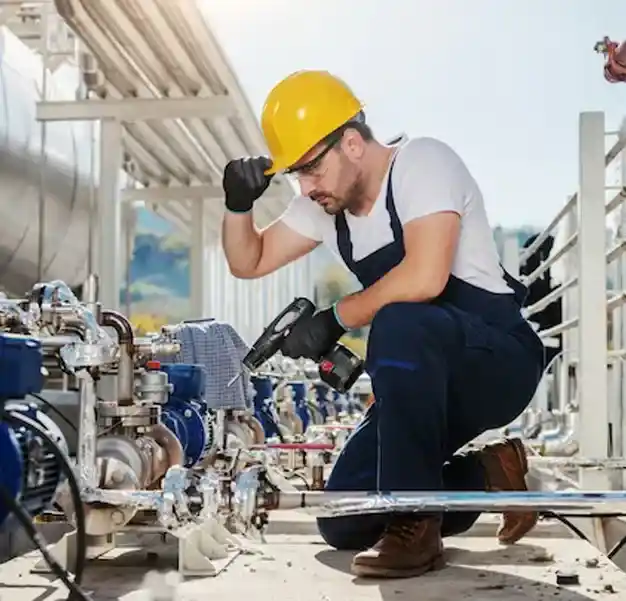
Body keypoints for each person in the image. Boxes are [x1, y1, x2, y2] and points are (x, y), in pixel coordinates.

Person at [221, 70, 545, 579]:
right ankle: (488, 473)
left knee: (399, 320)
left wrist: (334, 319)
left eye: (310, 169)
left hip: (494, 361)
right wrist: (238, 207)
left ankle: (415, 527)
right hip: (421, 381)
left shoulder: (423, 163)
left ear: (351, 143)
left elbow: (425, 276)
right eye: (296, 175)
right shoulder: (326, 207)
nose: (305, 188)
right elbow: (249, 261)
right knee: (345, 517)